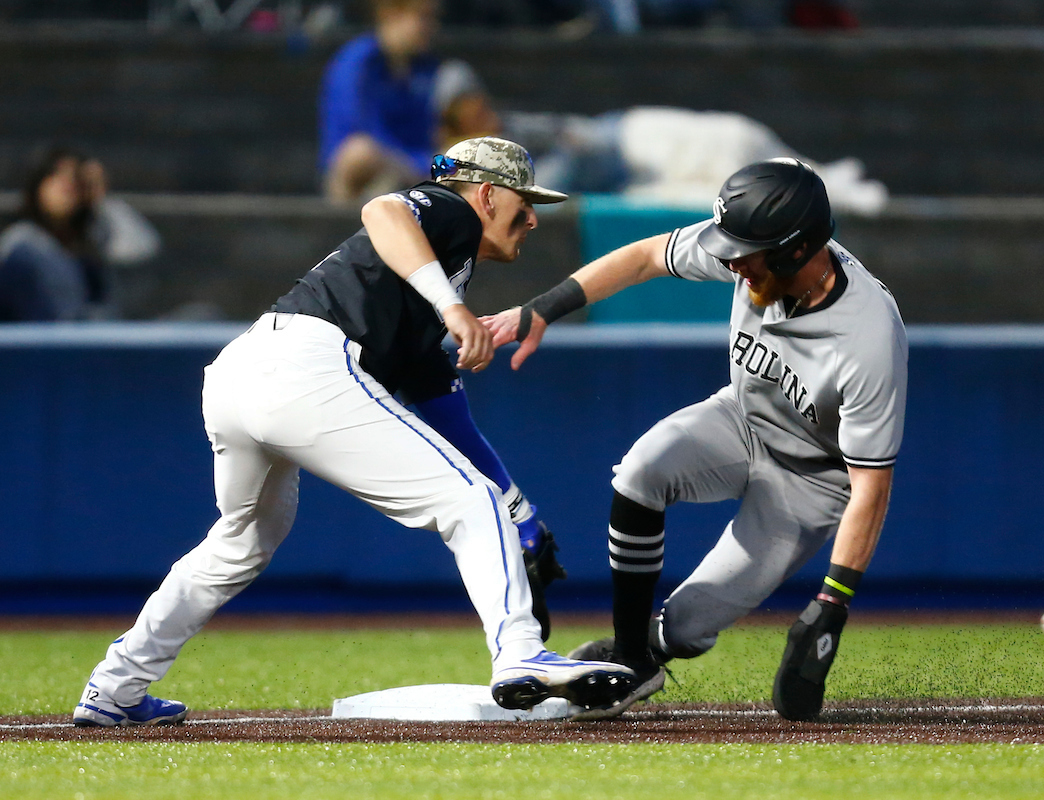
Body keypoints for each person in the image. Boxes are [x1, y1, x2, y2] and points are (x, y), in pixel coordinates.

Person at [72, 137, 634, 728]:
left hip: (242, 374)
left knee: (239, 544)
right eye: (524, 205)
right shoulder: (450, 214)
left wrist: (520, 510)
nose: (533, 221)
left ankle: (114, 688)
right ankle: (520, 655)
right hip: (306, 366)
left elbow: (445, 414)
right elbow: (381, 210)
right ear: (487, 195)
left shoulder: (420, 288)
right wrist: (451, 308)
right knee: (470, 503)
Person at [483, 158, 907, 720]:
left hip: (813, 482)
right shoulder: (754, 254)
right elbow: (642, 258)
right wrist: (544, 308)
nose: (732, 262)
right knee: (642, 468)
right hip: (742, 419)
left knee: (685, 627)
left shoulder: (868, 336)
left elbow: (871, 484)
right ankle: (631, 659)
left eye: (746, 253)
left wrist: (832, 604)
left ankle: (655, 647)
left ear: (795, 250)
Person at [504, 106, 888, 215]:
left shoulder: (739, 139)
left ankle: (830, 182)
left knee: (742, 143)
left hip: (634, 138)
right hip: (628, 158)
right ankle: (831, 186)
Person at [320, 0, 499, 204]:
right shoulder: (358, 64)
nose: (432, 27)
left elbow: (429, 134)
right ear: (391, 14)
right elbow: (363, 134)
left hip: (415, 167)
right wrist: (416, 166)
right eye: (424, 17)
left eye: (434, 18)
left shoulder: (426, 68)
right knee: (359, 152)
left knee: (472, 158)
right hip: (365, 173)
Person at [0, 146, 160, 322]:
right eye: (55, 174)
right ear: (38, 185)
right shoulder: (23, 246)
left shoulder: (87, 248)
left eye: (75, 179)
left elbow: (141, 251)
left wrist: (99, 199)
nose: (66, 183)